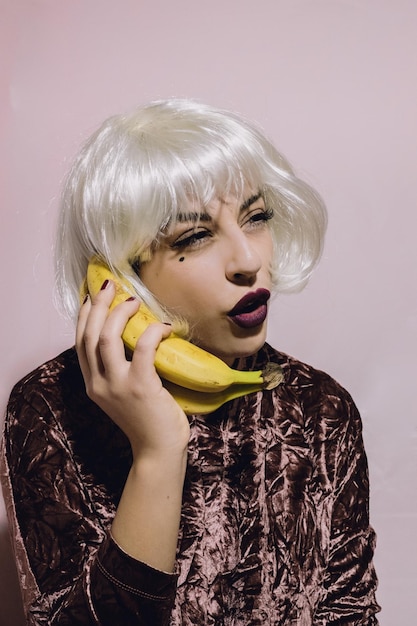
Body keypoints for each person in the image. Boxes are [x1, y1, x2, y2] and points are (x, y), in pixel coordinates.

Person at [0, 98, 380, 625]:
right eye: (195, 236)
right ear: (118, 276)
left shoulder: (318, 410)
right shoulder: (48, 408)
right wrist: (158, 452)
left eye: (256, 217)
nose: (249, 261)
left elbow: (349, 613)